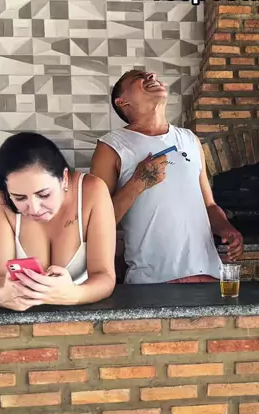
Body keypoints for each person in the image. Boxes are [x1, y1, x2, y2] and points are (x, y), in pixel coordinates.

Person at [89, 69, 243, 284]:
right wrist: (137, 182)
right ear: (122, 102)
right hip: (153, 282)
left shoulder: (190, 139)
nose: (151, 76)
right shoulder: (111, 146)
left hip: (208, 276)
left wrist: (226, 228)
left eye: (150, 75)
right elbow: (96, 222)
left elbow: (209, 205)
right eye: (138, 78)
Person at [0, 132, 116, 311]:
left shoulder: (92, 190)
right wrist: (2, 296)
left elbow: (105, 277)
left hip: (81, 318)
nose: (34, 209)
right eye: (19, 198)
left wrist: (74, 295)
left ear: (64, 179)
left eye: (44, 194)